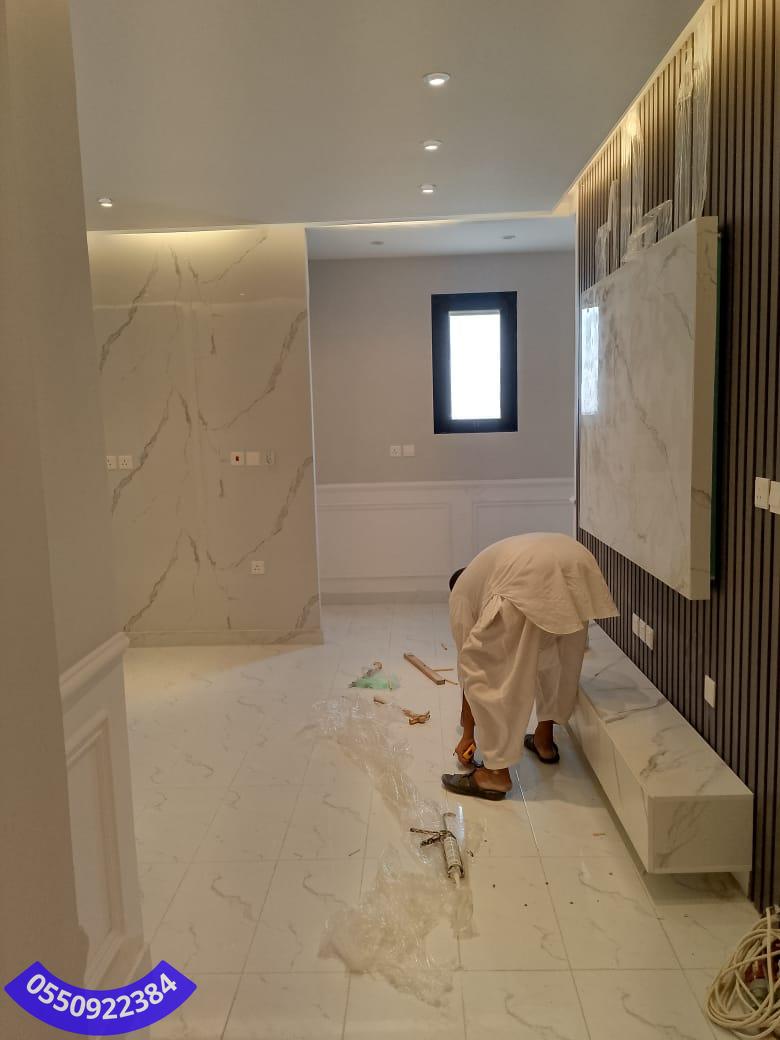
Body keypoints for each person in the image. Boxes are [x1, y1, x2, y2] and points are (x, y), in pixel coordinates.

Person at [441, 532, 618, 800]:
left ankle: (494, 774)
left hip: (530, 575)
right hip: (575, 561)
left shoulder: (461, 594)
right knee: (556, 658)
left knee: (484, 666)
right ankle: (544, 741)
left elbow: (470, 668)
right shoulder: (488, 568)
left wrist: (468, 734)